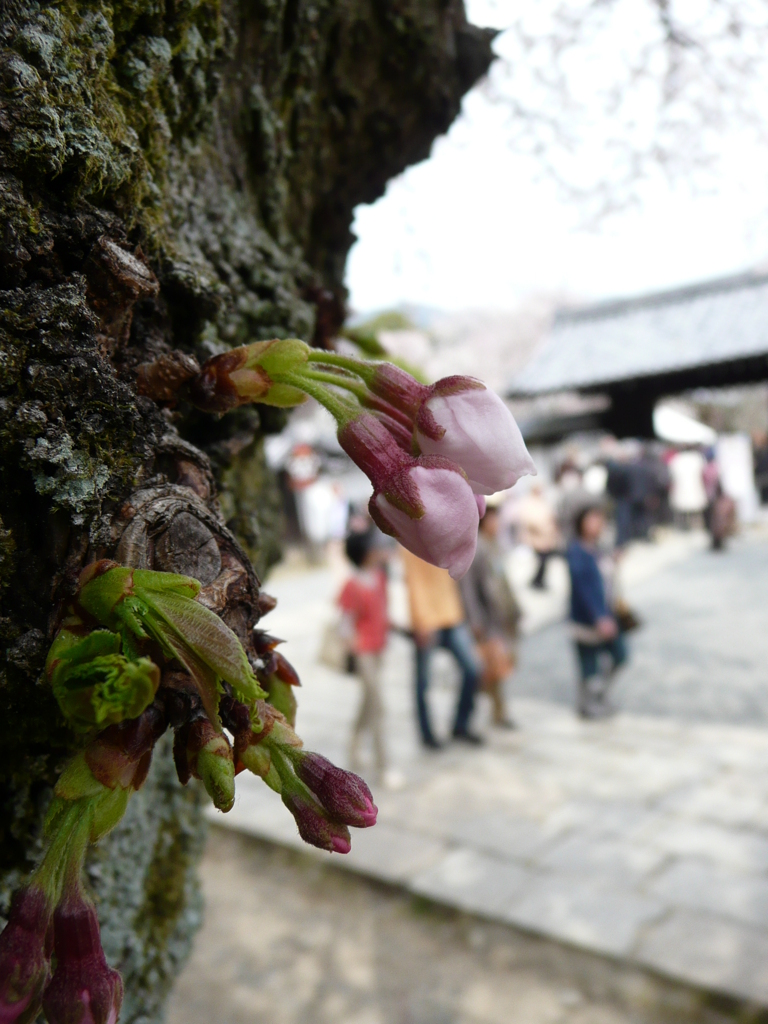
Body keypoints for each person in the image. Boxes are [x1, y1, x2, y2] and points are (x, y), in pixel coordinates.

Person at [400, 546, 482, 747]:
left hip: (452, 614)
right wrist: (420, 620)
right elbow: (412, 578)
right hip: (427, 620)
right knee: (423, 682)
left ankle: (460, 724)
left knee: (473, 670)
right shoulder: (408, 532)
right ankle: (427, 734)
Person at [460, 504, 521, 729]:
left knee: (499, 665)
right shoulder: (477, 549)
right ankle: (494, 710)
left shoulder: (494, 546)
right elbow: (469, 589)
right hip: (487, 620)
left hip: (499, 616)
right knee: (493, 667)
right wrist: (475, 620)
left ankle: (495, 708)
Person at [566, 506, 627, 719]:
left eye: (600, 519)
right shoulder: (577, 551)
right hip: (588, 620)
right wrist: (598, 616)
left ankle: (598, 696)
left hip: (608, 615)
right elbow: (584, 588)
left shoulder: (598, 549)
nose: (597, 524)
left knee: (620, 655)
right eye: (592, 519)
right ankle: (588, 705)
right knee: (588, 665)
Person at [338, 530, 389, 780]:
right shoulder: (352, 584)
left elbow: (383, 611)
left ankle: (353, 748)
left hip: (379, 649)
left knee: (367, 704)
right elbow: (345, 622)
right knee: (378, 706)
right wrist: (352, 648)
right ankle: (384, 765)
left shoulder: (379, 577)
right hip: (364, 652)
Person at [516, 482, 560, 589]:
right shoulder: (528, 502)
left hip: (546, 537)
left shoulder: (543, 502)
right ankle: (536, 581)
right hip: (536, 537)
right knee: (540, 560)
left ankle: (539, 580)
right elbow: (528, 520)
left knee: (545, 561)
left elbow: (551, 516)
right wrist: (541, 528)